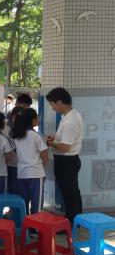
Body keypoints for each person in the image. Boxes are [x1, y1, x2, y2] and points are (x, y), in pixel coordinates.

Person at [45, 87, 83, 224]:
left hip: (67, 162)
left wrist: (49, 143)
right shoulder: (69, 116)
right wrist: (54, 138)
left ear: (60, 101)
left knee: (70, 195)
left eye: (52, 104)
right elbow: (65, 139)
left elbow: (66, 147)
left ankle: (71, 224)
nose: (52, 107)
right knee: (72, 193)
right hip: (67, 161)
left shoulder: (70, 121)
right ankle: (75, 222)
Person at [12, 108, 48, 214]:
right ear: (33, 120)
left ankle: (24, 223)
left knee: (23, 204)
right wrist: (43, 171)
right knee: (37, 206)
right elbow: (45, 157)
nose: (39, 118)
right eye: (37, 116)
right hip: (36, 173)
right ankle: (35, 224)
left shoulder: (17, 136)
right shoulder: (37, 136)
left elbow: (16, 153)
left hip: (21, 173)